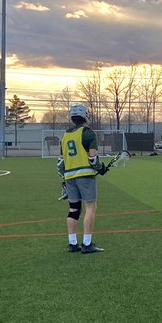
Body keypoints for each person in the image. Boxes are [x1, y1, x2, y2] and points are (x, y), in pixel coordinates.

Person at [59, 103, 105, 253]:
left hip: (69, 176)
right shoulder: (88, 133)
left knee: (74, 209)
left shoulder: (65, 136)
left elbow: (61, 162)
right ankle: (87, 243)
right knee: (91, 207)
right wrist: (101, 168)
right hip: (85, 176)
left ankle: (72, 243)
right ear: (85, 116)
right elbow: (93, 158)